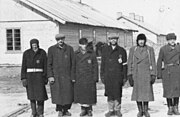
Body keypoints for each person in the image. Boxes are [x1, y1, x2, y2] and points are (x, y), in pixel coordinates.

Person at [127, 33, 156, 117]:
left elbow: (153, 62)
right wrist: (129, 75)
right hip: (136, 74)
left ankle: (146, 110)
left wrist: (153, 74)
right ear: (137, 41)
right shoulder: (133, 49)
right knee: (138, 93)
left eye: (142, 40)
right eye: (139, 40)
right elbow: (129, 63)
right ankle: (140, 110)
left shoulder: (149, 49)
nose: (141, 42)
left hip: (146, 74)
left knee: (146, 93)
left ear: (145, 41)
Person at [47, 34, 75, 117]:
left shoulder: (69, 49)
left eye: (62, 39)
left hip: (67, 76)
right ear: (56, 40)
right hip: (56, 76)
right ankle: (59, 110)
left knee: (68, 94)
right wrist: (50, 76)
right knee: (57, 94)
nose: (60, 41)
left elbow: (73, 64)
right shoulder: (51, 49)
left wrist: (72, 76)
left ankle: (66, 110)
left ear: (64, 39)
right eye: (58, 39)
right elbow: (49, 64)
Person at [101, 33, 127, 117]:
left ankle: (117, 110)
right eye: (111, 39)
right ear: (109, 40)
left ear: (117, 40)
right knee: (109, 93)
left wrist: (124, 77)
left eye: (115, 39)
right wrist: (102, 75)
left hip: (118, 75)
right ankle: (111, 110)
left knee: (117, 93)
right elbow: (102, 64)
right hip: (108, 75)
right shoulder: (105, 50)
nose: (113, 40)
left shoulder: (121, 50)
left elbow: (124, 65)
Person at [21, 39, 48, 117]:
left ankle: (40, 113)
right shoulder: (26, 53)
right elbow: (23, 67)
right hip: (30, 77)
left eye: (35, 44)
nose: (34, 46)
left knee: (40, 96)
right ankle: (33, 112)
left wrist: (45, 77)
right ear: (31, 45)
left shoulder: (42, 52)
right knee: (31, 96)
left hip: (40, 77)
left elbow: (45, 66)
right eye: (33, 45)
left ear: (38, 44)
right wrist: (23, 78)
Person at [74, 38, 98, 116]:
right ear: (79, 45)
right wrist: (73, 77)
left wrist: (95, 77)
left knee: (89, 94)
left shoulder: (91, 53)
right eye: (82, 44)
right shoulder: (76, 54)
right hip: (80, 77)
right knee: (81, 94)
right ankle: (83, 109)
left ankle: (90, 110)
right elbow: (73, 66)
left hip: (89, 77)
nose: (84, 46)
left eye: (85, 44)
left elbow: (95, 66)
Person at [157, 33, 180, 115]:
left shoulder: (179, 48)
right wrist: (159, 73)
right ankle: (170, 107)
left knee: (177, 90)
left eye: (173, 39)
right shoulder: (163, 49)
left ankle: (176, 107)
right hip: (167, 72)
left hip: (177, 71)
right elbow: (159, 61)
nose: (172, 41)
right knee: (168, 90)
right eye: (170, 40)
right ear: (167, 41)